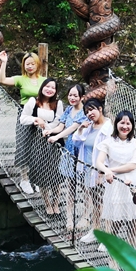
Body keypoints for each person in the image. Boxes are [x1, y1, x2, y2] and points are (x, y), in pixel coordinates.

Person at [95, 110, 136, 253]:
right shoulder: (107, 142)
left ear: (132, 126)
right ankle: (112, 243)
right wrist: (106, 170)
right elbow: (99, 162)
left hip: (132, 182)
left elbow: (132, 165)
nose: (125, 126)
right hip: (115, 183)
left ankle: (132, 245)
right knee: (116, 217)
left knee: (134, 217)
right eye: (122, 123)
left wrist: (110, 170)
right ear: (116, 124)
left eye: (128, 123)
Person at [42, 84, 87, 233]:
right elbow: (60, 127)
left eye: (75, 95)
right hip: (69, 150)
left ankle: (85, 216)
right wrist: (49, 131)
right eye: (70, 95)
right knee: (70, 185)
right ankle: (69, 219)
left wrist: (56, 137)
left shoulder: (85, 111)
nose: (72, 98)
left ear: (82, 97)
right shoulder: (68, 109)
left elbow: (72, 128)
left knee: (85, 187)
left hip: (81, 151)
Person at [0, 50, 43, 194]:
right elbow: (2, 80)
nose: (30, 66)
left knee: (38, 147)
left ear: (37, 64)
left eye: (32, 64)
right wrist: (4, 62)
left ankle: (36, 179)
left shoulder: (44, 80)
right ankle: (24, 179)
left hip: (41, 114)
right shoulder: (21, 79)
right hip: (24, 113)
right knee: (24, 144)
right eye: (27, 64)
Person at [20, 78, 64, 215]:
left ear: (56, 91)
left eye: (53, 88)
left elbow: (59, 121)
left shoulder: (58, 104)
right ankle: (47, 204)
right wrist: (36, 119)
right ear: (42, 87)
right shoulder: (33, 101)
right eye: (47, 86)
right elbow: (23, 118)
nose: (50, 89)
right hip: (38, 142)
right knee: (42, 174)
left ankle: (55, 203)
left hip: (54, 141)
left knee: (56, 174)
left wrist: (46, 128)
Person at [72, 98, 113, 242]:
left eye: (92, 109)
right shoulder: (89, 126)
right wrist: (81, 128)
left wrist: (103, 172)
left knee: (105, 203)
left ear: (100, 109)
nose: (89, 113)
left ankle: (107, 236)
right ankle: (95, 230)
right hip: (89, 170)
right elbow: (76, 141)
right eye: (87, 111)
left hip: (102, 172)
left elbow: (111, 152)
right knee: (96, 202)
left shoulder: (109, 128)